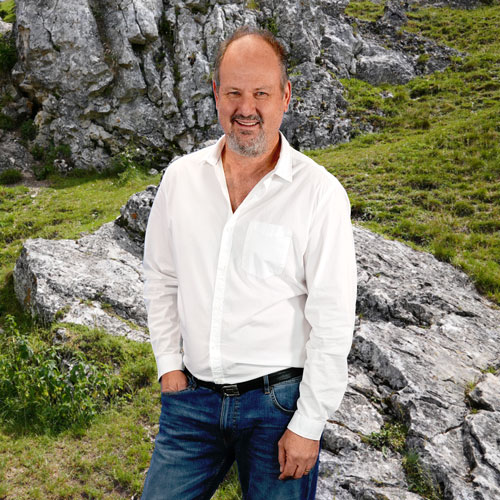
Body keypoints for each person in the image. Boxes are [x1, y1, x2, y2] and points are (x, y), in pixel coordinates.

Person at [141, 25, 357, 500]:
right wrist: (169, 368)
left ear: (285, 96)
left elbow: (333, 320)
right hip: (191, 401)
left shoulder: (319, 194)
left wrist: (309, 424)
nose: (246, 108)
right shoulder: (180, 179)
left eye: (260, 92)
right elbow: (161, 277)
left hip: (277, 409)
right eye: (234, 92)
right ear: (216, 93)